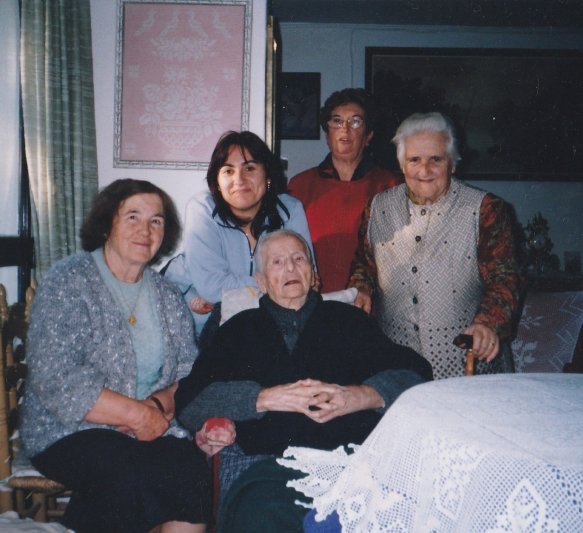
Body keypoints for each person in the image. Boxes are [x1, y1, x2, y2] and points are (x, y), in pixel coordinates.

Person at [175, 229, 432, 532]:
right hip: (269, 469)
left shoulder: (350, 320)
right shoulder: (239, 330)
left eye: (299, 259)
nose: (290, 268)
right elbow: (190, 402)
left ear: (313, 274)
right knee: (261, 517)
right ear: (261, 281)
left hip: (350, 466)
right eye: (277, 262)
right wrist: (262, 398)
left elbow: (415, 375)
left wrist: (361, 395)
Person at [20, 179, 210, 533]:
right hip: (68, 429)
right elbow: (57, 377)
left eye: (156, 221)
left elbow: (189, 372)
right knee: (127, 472)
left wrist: (156, 406)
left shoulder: (168, 295)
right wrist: (137, 415)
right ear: (108, 222)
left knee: (190, 470)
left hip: (151, 427)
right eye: (132, 216)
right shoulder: (68, 281)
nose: (145, 230)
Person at [349, 112, 521, 380]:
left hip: (467, 367)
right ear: (402, 164)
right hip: (396, 366)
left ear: (452, 164)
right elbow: (364, 264)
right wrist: (361, 287)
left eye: (436, 159)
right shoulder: (377, 208)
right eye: (414, 160)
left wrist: (487, 324)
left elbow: (504, 279)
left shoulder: (485, 209)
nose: (424, 170)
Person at [163, 130, 314, 341]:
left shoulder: (290, 210)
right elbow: (212, 287)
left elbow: (306, 278)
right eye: (228, 171)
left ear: (267, 176)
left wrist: (243, 289)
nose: (239, 180)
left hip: (252, 326)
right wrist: (274, 283)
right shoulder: (202, 208)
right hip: (190, 328)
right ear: (217, 181)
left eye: (249, 168)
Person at [288, 88, 401, 292]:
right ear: (327, 134)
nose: (345, 129)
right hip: (314, 299)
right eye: (337, 121)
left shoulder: (389, 185)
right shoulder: (299, 186)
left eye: (355, 122)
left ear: (368, 135)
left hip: (370, 299)